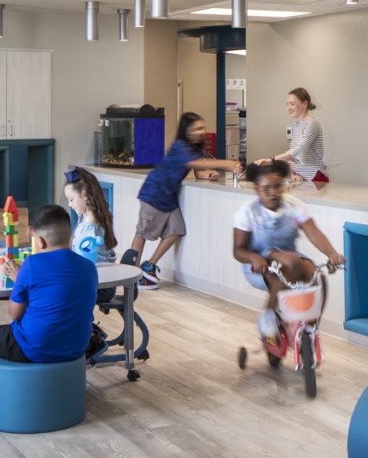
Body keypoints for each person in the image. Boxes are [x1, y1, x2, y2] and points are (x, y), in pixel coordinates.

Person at [0, 204, 98, 364]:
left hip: (34, 347)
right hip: (77, 347)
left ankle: (0, 387)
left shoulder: (31, 264)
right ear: (70, 236)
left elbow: (14, 314)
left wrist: (19, 278)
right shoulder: (89, 267)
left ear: (40, 241)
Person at [231, 159, 346, 347]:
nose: (272, 193)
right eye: (266, 189)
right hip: (257, 264)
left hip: (291, 258)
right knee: (290, 264)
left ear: (283, 186)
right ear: (257, 190)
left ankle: (311, 329)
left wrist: (332, 253)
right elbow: (238, 250)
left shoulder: (293, 205)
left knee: (318, 279)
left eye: (277, 187)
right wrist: (254, 257)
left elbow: (313, 232)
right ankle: (267, 317)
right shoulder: (248, 211)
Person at [129, 112, 241, 289]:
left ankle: (149, 266)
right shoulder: (180, 146)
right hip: (154, 193)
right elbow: (194, 163)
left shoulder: (195, 150)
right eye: (196, 129)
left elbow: (199, 170)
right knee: (142, 233)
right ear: (186, 132)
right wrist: (227, 163)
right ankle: (131, 275)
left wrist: (208, 175)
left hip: (169, 197)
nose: (200, 132)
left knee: (176, 229)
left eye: (202, 128)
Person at [268, 87, 328, 183]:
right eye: (287, 104)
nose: (288, 108)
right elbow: (293, 156)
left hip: (314, 178)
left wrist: (270, 160)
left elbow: (299, 150)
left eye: (292, 104)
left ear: (304, 104)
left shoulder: (312, 123)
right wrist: (293, 174)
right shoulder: (296, 126)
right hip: (300, 179)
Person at [63, 166, 116, 264]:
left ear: (84, 195)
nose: (69, 204)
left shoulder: (90, 221)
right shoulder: (87, 216)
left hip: (97, 272)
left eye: (71, 199)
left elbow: (85, 255)